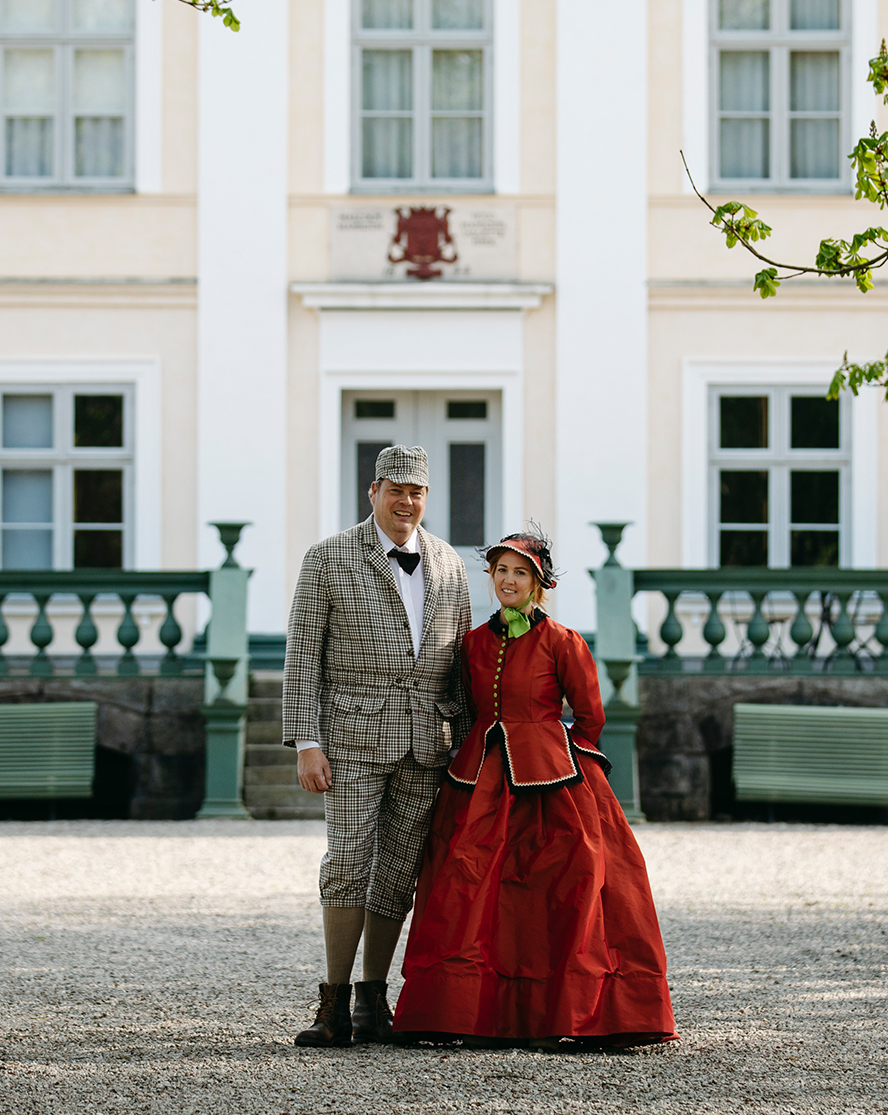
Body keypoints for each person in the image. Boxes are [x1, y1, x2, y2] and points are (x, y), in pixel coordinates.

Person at [394, 527, 676, 1047]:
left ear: (538, 581)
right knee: (469, 883)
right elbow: (470, 709)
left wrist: (567, 761)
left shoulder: (563, 641)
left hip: (552, 779)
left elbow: (590, 717)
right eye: (501, 571)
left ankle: (564, 1014)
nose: (508, 580)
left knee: (561, 885)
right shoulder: (474, 641)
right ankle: (467, 1012)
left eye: (519, 572)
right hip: (480, 776)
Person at [282, 444, 472, 1048]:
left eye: (416, 492)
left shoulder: (449, 562)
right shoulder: (328, 557)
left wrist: (467, 747)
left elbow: (461, 665)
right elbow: (302, 655)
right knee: (346, 864)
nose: (406, 502)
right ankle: (331, 1005)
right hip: (352, 738)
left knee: (398, 874)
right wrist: (307, 742)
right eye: (395, 490)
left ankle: (373, 1003)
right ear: (373, 492)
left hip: (429, 743)